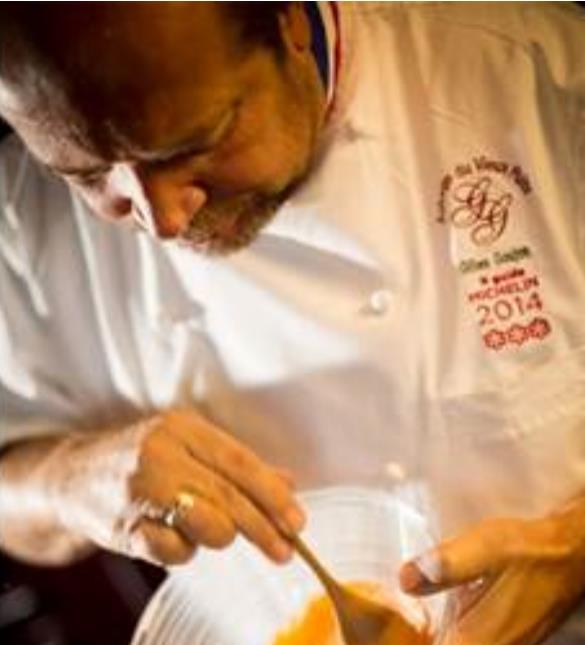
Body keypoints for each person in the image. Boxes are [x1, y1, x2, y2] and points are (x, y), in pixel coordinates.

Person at [0, 2, 584, 642]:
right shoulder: (20, 224)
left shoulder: (542, 77)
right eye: (83, 174)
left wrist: (572, 549)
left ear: (290, 23)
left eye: (196, 142)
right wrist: (69, 480)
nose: (159, 218)